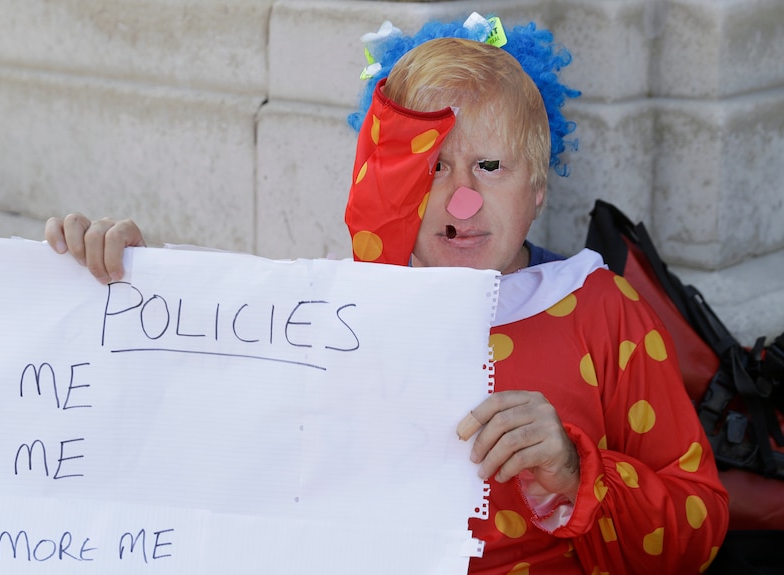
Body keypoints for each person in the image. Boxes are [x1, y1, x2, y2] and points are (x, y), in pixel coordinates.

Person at [45, 14, 728, 574]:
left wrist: (577, 468)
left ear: (537, 191)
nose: (461, 199)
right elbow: (193, 448)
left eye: (490, 166)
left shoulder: (602, 309)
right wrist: (119, 284)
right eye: (432, 167)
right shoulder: (332, 313)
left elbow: (699, 531)